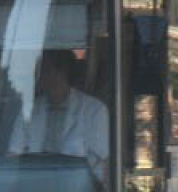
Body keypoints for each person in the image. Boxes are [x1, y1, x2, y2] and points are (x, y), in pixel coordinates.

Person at [7, 49, 109, 184]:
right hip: (34, 187)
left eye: (43, 71)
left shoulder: (94, 110)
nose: (38, 76)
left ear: (60, 72)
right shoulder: (29, 111)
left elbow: (104, 161)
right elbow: (14, 154)